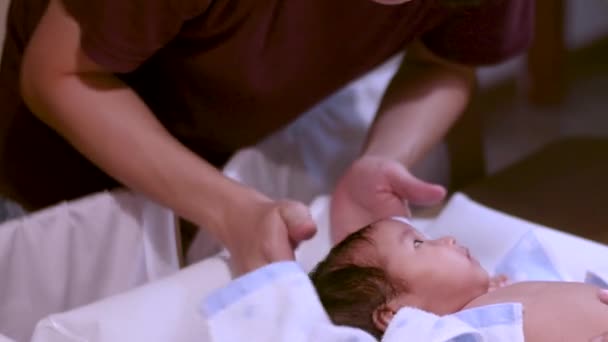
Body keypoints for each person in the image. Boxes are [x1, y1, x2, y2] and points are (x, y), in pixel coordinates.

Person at [0, 0, 533, 273]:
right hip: (57, 162)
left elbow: (444, 61)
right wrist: (227, 209)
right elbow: (59, 76)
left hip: (227, 131)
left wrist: (382, 157)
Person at [310, 218, 608, 340]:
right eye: (418, 244)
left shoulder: (491, 300)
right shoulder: (450, 334)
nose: (448, 239)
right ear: (394, 315)